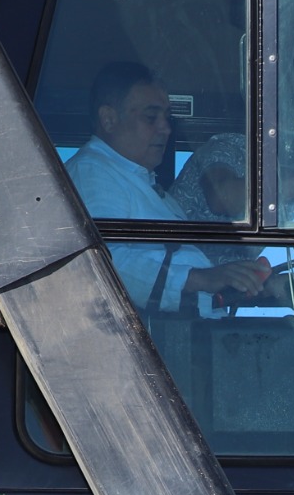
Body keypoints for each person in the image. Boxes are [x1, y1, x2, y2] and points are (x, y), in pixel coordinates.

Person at [67, 62, 267, 313]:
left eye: (167, 118)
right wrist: (202, 279)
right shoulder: (92, 173)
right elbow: (102, 264)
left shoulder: (145, 186)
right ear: (109, 119)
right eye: (151, 117)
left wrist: (256, 285)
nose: (166, 128)